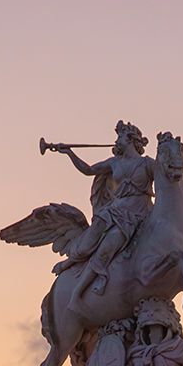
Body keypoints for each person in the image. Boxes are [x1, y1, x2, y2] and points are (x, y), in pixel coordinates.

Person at [52, 120, 155, 302]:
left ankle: (84, 286)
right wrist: (69, 153)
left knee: (110, 243)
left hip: (138, 213)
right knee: (92, 239)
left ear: (130, 139)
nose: (116, 141)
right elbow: (88, 170)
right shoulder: (114, 163)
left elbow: (168, 183)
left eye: (119, 136)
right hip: (115, 211)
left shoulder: (147, 164)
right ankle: (73, 262)